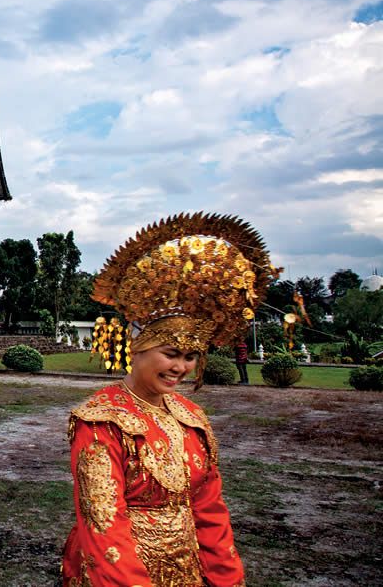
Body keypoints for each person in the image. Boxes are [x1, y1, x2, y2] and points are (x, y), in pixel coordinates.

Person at [62, 213, 279, 586]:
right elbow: (103, 524)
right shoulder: (101, 422)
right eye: (171, 353)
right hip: (120, 574)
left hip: (188, 571)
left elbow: (209, 510)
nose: (180, 367)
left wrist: (226, 579)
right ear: (138, 348)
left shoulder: (191, 417)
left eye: (190, 357)